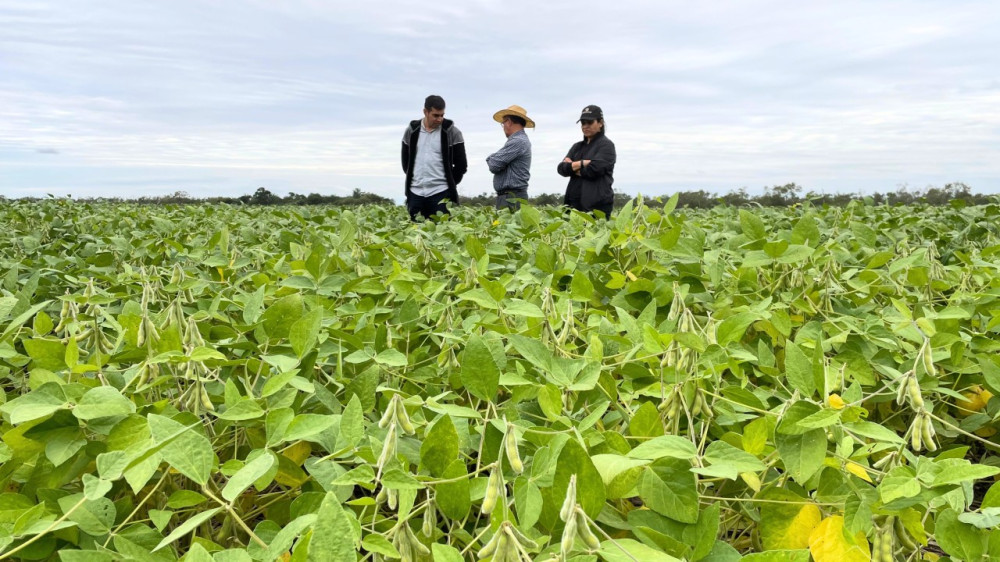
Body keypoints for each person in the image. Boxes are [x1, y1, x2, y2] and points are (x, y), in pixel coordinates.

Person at [401, 95, 468, 221]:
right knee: (415, 230)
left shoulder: (453, 132)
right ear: (425, 112)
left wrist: (449, 184)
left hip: (441, 193)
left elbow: (461, 165)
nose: (440, 119)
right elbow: (406, 162)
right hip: (415, 193)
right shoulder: (411, 131)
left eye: (442, 115)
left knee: (443, 231)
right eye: (436, 115)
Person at [557, 105, 616, 218]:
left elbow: (595, 169)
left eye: (589, 122)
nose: (585, 126)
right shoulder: (577, 147)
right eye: (583, 123)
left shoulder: (606, 145)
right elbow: (561, 169)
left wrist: (572, 167)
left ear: (600, 123)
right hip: (573, 206)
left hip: (596, 208)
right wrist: (583, 163)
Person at [486, 105, 534, 211]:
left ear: (509, 122)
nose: (503, 127)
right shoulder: (518, 141)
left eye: (503, 123)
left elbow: (494, 165)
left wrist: (490, 157)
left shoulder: (518, 141)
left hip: (512, 198)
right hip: (510, 196)